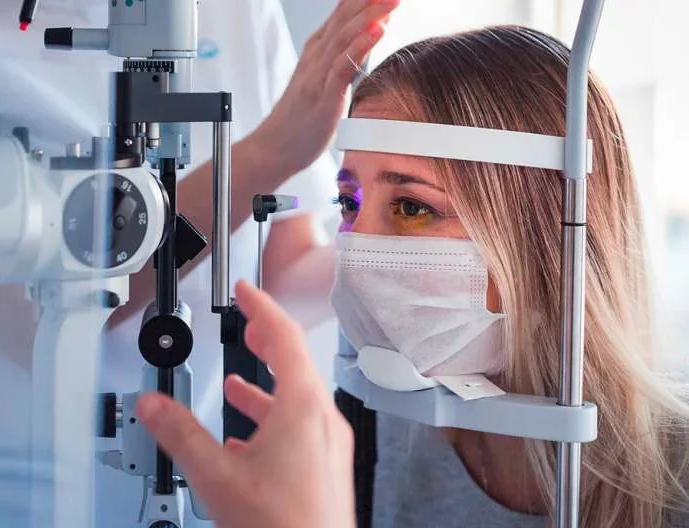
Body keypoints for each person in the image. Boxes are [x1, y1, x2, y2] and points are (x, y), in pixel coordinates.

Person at [0, 0, 397, 525]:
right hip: (16, 489)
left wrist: (422, 250)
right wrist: (265, 154)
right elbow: (33, 321)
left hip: (210, 478)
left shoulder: (241, 8)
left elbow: (278, 272)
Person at [141, 25, 689, 528]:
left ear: (543, 239)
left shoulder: (675, 476)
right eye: (349, 203)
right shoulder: (365, 430)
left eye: (410, 207)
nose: (357, 251)